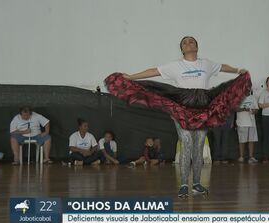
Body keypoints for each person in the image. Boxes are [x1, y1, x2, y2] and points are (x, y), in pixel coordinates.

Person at [105, 36, 250, 198]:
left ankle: (196, 184)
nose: (188, 44)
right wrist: (132, 77)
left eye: (192, 41)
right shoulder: (175, 65)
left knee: (199, 145)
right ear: (182, 49)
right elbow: (154, 71)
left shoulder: (207, 64)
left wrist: (238, 70)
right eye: (185, 42)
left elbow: (222, 67)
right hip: (182, 107)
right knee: (186, 142)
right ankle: (183, 185)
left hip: (203, 107)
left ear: (197, 46)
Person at [235, 91, 259, 163]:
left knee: (251, 140)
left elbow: (257, 109)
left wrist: (254, 111)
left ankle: (251, 157)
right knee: (242, 140)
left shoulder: (253, 98)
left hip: (252, 122)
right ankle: (241, 156)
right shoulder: (238, 97)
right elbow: (235, 109)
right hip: (242, 122)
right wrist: (244, 109)